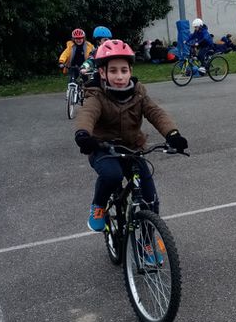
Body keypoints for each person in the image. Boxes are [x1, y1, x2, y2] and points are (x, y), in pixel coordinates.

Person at [73, 39, 188, 232]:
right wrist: (83, 134)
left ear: (130, 72)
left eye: (124, 70)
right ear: (102, 72)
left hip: (132, 149)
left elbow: (155, 113)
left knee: (150, 199)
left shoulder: (138, 93)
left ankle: (147, 242)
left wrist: (172, 134)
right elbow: (87, 113)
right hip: (103, 149)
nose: (119, 76)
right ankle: (98, 206)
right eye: (113, 71)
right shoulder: (96, 94)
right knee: (112, 175)